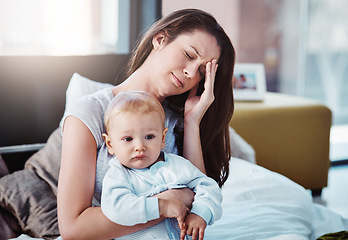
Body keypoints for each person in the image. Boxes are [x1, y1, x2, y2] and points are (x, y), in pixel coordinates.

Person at [58, 8, 235, 240]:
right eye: (190, 55)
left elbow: (197, 200)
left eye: (202, 71)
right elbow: (73, 228)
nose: (191, 73)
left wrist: (192, 122)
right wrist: (164, 205)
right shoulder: (90, 113)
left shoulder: (179, 121)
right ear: (160, 39)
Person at [100, 91, 222, 240]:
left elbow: (209, 186)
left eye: (149, 137)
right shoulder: (118, 175)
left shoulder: (176, 165)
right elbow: (116, 209)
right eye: (128, 139)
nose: (139, 146)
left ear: (163, 138)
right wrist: (162, 206)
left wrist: (200, 212)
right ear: (110, 144)